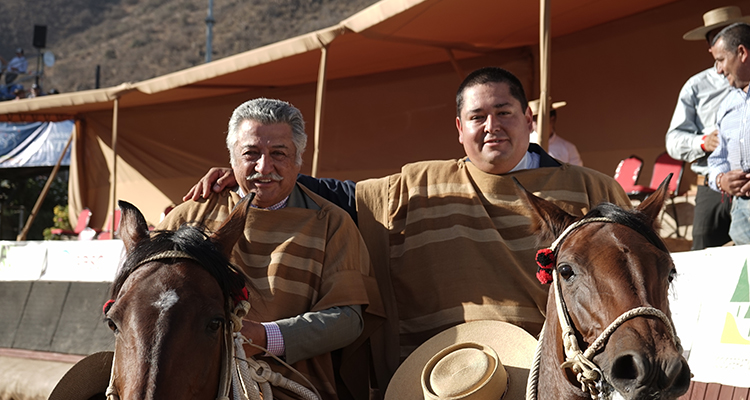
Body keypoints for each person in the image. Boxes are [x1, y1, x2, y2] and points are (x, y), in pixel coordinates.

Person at [184, 67, 630, 394]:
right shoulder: (421, 187)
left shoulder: (590, 189)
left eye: (503, 112)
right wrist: (249, 171)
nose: (491, 126)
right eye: (476, 117)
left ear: (530, 118)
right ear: (459, 129)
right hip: (452, 378)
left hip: (560, 375)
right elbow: (328, 191)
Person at [159, 98, 383, 400]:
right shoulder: (187, 218)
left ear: (299, 158)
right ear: (232, 157)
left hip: (293, 387)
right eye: (250, 153)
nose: (264, 167)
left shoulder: (332, 223)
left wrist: (267, 337)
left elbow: (347, 319)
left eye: (279, 153)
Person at [666, 6, 750, 250]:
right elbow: (672, 140)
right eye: (715, 37)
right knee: (705, 256)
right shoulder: (696, 85)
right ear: (710, 45)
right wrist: (702, 143)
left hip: (745, 189)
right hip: (713, 186)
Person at [708, 22, 750, 246]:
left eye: (721, 60)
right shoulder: (726, 106)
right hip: (741, 212)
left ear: (742, 53)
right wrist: (722, 179)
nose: (718, 70)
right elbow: (718, 159)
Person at [528, 99, 584, 166]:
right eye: (533, 119)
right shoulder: (525, 143)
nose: (536, 123)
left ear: (552, 118)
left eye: (539, 119)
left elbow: (576, 174)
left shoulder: (568, 148)